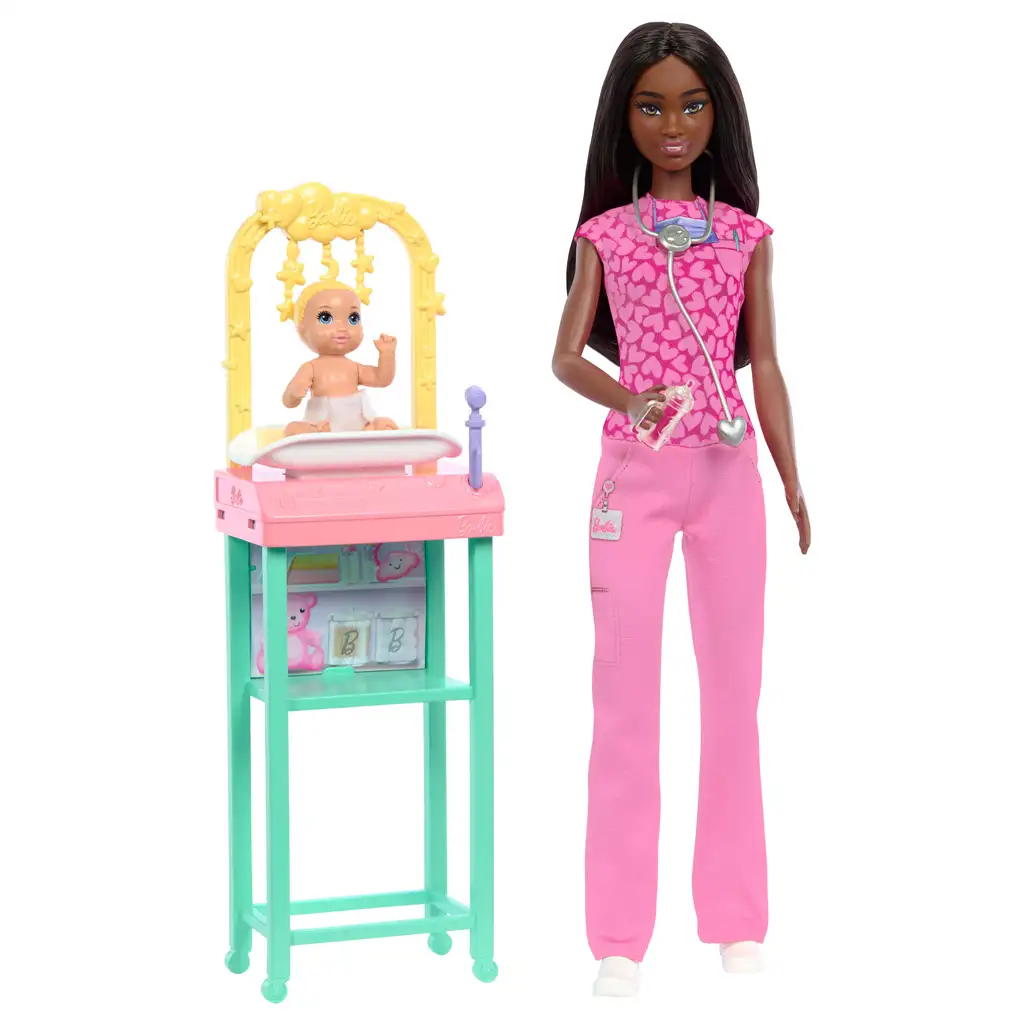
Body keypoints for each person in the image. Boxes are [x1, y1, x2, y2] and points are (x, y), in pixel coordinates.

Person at [551, 21, 811, 996]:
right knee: (624, 701)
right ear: (624, 116)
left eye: (692, 106)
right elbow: (564, 355)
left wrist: (790, 476)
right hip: (635, 475)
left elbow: (766, 363)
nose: (673, 125)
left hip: (729, 470)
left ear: (717, 116)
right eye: (652, 106)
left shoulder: (744, 236)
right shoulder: (605, 237)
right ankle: (618, 935)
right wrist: (632, 398)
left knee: (733, 698)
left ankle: (736, 917)